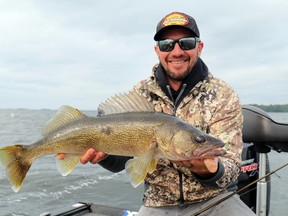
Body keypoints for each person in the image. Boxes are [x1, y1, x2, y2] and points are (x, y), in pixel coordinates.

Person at [58, 11, 256, 216]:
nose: (176, 51)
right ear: (157, 50)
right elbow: (124, 162)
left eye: (186, 43)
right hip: (158, 203)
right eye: (166, 45)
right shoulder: (140, 95)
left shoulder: (223, 95)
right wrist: (104, 156)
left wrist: (212, 171)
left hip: (216, 199)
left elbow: (232, 167)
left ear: (200, 47)